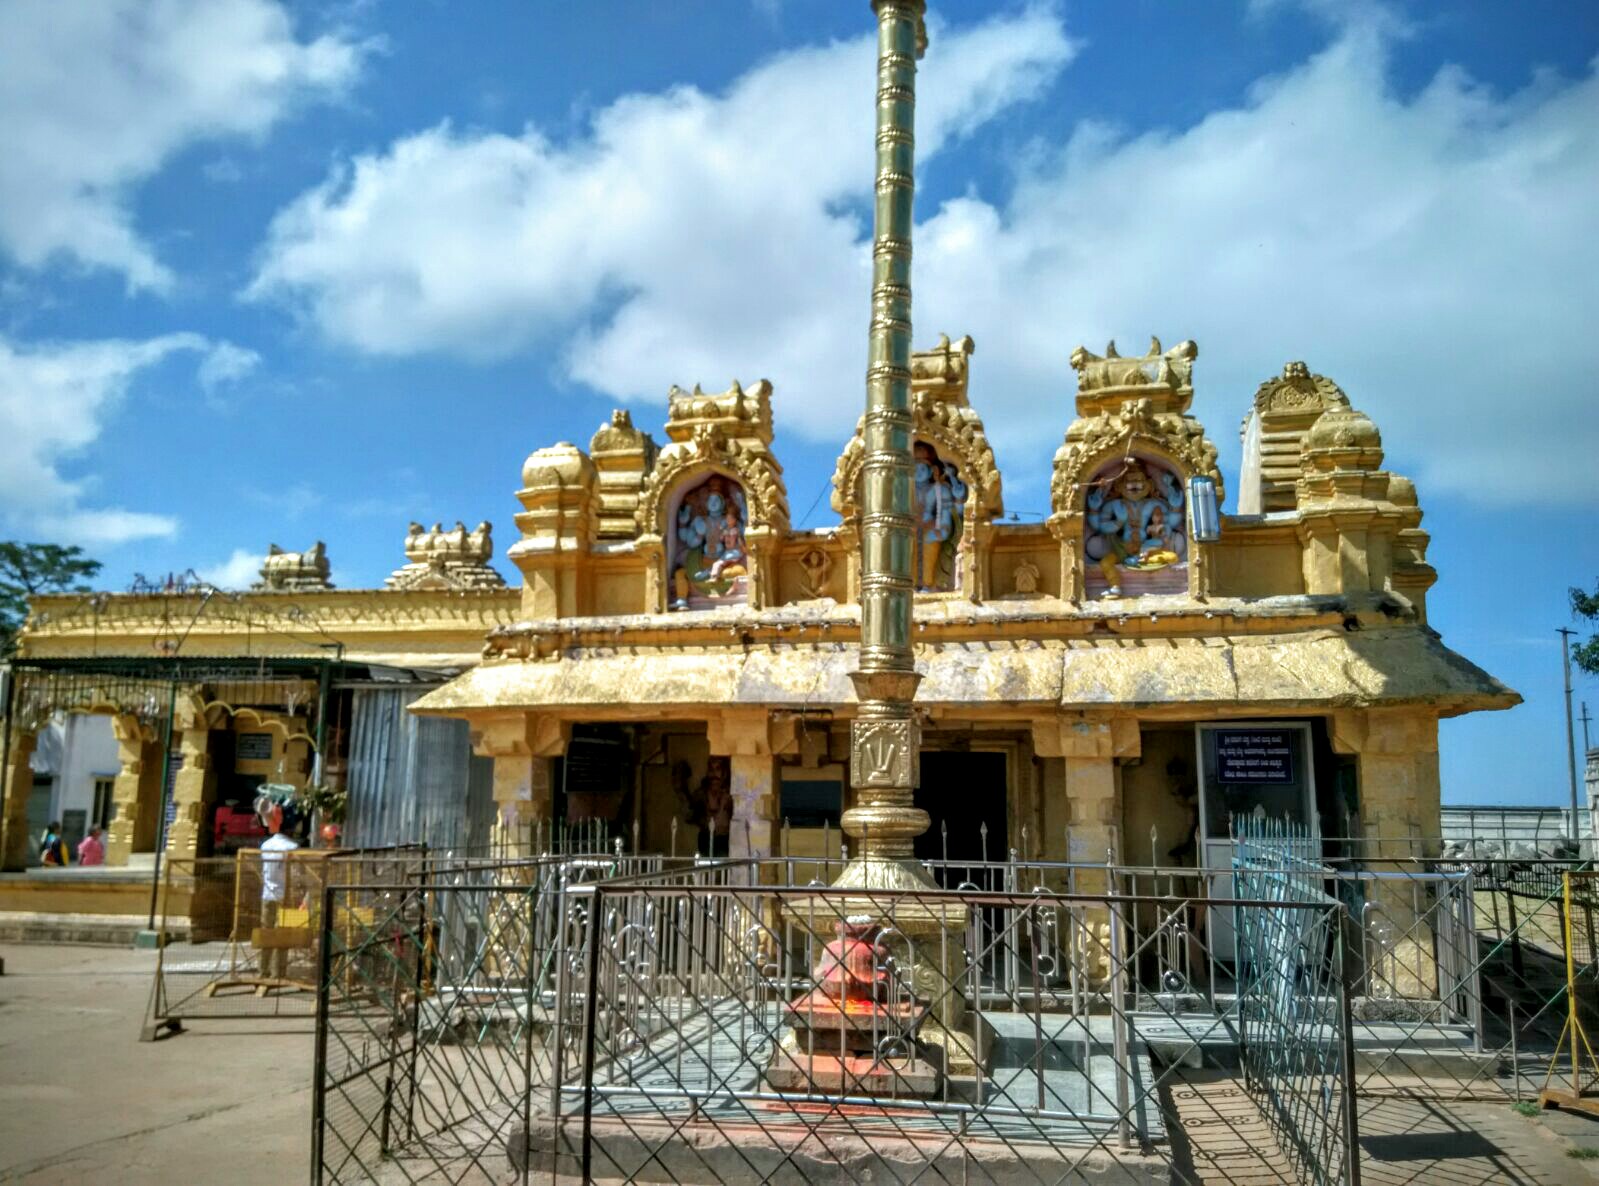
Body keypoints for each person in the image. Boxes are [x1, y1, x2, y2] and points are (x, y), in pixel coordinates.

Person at [257, 804, 300, 982]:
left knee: (266, 934)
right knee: (282, 935)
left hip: (267, 895)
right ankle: (278, 973)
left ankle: (263, 971)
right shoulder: (292, 847)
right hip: (286, 897)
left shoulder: (265, 845)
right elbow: (296, 875)